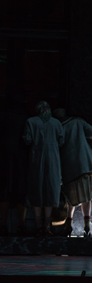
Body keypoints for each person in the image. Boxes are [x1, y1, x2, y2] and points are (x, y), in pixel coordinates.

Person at [52, 108, 92, 237]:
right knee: (87, 196)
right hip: (86, 162)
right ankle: (87, 225)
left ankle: (68, 225)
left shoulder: (55, 126)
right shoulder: (77, 121)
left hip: (68, 164)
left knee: (70, 197)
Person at [22, 101, 64, 236]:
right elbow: (61, 141)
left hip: (36, 159)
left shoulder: (31, 121)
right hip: (53, 159)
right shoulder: (56, 123)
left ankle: (38, 224)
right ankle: (47, 225)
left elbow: (27, 140)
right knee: (50, 190)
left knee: (36, 189)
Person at [0, 95, 29, 236]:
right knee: (20, 192)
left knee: (5, 191)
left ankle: (3, 225)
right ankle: (21, 225)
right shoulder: (26, 117)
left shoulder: (3, 115)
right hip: (21, 157)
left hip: (4, 156)